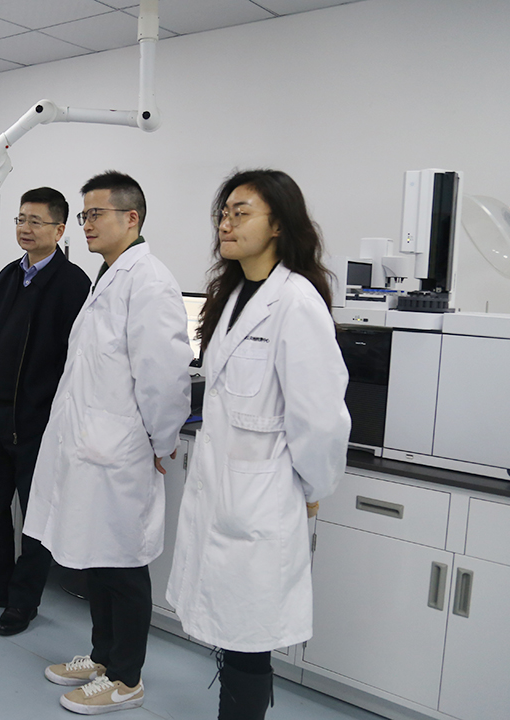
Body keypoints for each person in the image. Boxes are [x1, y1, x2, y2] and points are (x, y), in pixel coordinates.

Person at [166, 170, 350, 719]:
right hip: (224, 491)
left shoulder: (296, 302)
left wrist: (314, 489)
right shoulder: (233, 295)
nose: (226, 224)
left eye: (241, 213)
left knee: (248, 641)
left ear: (278, 225)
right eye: (223, 213)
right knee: (233, 634)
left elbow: (320, 418)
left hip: (263, 498)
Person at [24, 171, 192, 715]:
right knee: (96, 555)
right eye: (84, 215)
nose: (87, 224)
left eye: (96, 214)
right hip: (90, 445)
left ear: (131, 217)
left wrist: (160, 444)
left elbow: (164, 378)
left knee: (122, 563)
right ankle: (102, 657)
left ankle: (126, 677)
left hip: (122, 451)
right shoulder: (110, 276)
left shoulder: (150, 282)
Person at [0, 187, 90, 636]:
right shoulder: (10, 274)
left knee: (36, 517)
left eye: (36, 221)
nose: (25, 228)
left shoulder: (73, 284)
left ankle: (24, 601)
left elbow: (74, 359)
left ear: (59, 230)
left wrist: (52, 414)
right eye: (20, 220)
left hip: (36, 421)